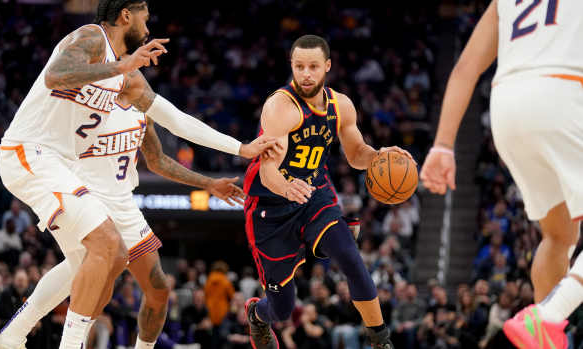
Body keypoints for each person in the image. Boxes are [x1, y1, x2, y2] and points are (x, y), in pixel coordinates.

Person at [0, 0, 279, 347]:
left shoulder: (128, 78)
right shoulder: (91, 37)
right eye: (145, 13)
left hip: (59, 164)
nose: (149, 22)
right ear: (126, 14)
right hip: (29, 151)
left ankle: (9, 338)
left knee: (91, 260)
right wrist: (121, 64)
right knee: (107, 246)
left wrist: (240, 148)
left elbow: (175, 119)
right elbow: (55, 75)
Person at [0, 87, 247, 349]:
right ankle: (44, 338)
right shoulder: (87, 97)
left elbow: (157, 161)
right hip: (85, 194)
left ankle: (12, 335)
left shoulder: (143, 105)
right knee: (92, 263)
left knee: (158, 288)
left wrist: (207, 183)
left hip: (123, 201)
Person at [419, 1, 583, 348]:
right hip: (564, 89)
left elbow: (465, 67)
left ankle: (543, 339)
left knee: (557, 236)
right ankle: (548, 316)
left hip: (507, 105)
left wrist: (444, 145)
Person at [242, 34, 415, 349]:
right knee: (281, 308)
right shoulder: (280, 107)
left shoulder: (341, 106)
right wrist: (285, 186)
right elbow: (267, 171)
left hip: (313, 194)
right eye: (299, 66)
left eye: (313, 66)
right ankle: (257, 314)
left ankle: (381, 340)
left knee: (351, 258)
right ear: (291, 67)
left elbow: (355, 153)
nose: (305, 73)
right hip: (270, 207)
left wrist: (379, 156)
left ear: (327, 67)